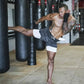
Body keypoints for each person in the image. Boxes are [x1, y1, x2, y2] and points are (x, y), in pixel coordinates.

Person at [8, 4, 76, 84]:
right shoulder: (55, 16)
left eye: (62, 12)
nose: (60, 14)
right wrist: (38, 21)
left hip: (52, 40)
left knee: (51, 60)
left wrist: (65, 18)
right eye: (59, 12)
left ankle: (49, 80)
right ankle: (9, 27)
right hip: (45, 33)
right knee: (26, 31)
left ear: (67, 11)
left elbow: (65, 31)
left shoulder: (71, 20)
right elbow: (45, 17)